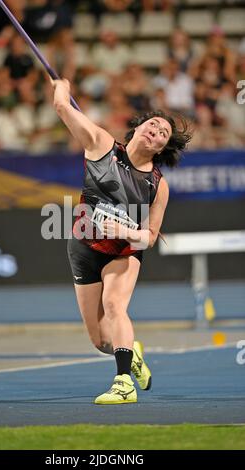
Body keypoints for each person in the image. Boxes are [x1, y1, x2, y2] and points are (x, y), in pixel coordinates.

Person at [49, 77, 192, 405]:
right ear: (140, 127)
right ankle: (131, 354)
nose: (155, 130)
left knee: (115, 305)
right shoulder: (100, 143)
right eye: (153, 124)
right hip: (84, 246)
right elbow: (61, 106)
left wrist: (126, 233)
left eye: (163, 133)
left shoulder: (158, 186)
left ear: (161, 148)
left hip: (125, 250)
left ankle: (123, 382)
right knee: (100, 340)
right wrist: (63, 84)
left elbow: (151, 237)